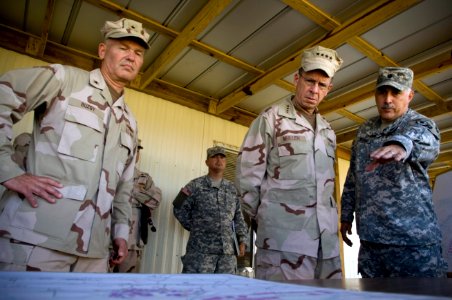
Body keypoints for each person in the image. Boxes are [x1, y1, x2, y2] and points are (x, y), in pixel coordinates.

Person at [0, 18, 150, 272]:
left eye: (138, 53)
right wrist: (8, 171)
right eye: (123, 48)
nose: (131, 57)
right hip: (38, 241)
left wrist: (121, 233)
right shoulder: (65, 81)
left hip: (95, 254)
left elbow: (124, 186)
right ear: (103, 51)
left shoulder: (130, 122)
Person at [235, 45, 343, 281]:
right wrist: (266, 223)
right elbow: (247, 179)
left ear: (329, 89)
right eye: (310, 81)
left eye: (322, 85)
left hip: (327, 246)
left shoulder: (328, 131)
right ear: (297, 78)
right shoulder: (271, 119)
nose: (314, 90)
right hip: (282, 243)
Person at [340, 66, 448, 278]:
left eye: (395, 92)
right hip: (371, 243)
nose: (387, 99)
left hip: (412, 243)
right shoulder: (364, 131)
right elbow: (353, 177)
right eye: (382, 92)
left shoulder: (419, 124)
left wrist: (402, 144)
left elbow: (427, 141)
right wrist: (345, 216)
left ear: (409, 95)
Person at [173, 146, 248, 274]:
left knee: (224, 291)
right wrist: (196, 226)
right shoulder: (194, 185)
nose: (219, 160)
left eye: (222, 157)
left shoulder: (232, 189)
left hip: (226, 254)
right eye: (214, 156)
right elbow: (178, 207)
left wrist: (242, 240)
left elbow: (238, 217)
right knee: (197, 289)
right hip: (200, 253)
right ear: (207, 162)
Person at [111, 139, 162, 273]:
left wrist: (125, 190)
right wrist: (139, 196)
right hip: (103, 238)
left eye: (137, 150)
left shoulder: (144, 178)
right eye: (131, 149)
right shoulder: (108, 172)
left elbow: (154, 201)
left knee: (126, 284)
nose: (135, 153)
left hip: (132, 242)